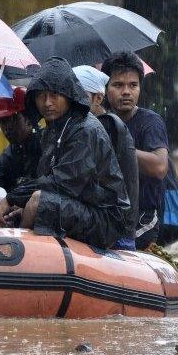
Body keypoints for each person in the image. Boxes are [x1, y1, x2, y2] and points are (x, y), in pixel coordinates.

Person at [0, 57, 131, 250]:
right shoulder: (53, 130)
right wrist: (19, 205)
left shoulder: (84, 129)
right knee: (28, 204)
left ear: (69, 95)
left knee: (39, 201)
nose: (47, 103)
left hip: (106, 219)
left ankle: (17, 254)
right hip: (83, 206)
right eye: (41, 96)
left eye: (55, 95)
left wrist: (11, 198)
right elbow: (46, 179)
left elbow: (62, 183)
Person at [102, 51, 169, 250]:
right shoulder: (99, 124)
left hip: (142, 218)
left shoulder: (150, 122)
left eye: (133, 85)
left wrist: (120, 148)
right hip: (108, 213)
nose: (126, 92)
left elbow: (159, 167)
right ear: (105, 89)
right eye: (118, 85)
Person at [73, 65, 139, 250]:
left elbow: (79, 178)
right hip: (114, 223)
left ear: (98, 98)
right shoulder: (95, 124)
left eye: (80, 95)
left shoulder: (103, 127)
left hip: (116, 230)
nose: (73, 101)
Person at [0, 87, 41, 194]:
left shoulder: (49, 148)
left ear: (28, 118)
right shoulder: (7, 158)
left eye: (12, 119)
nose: (7, 127)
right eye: (2, 121)